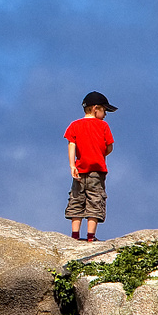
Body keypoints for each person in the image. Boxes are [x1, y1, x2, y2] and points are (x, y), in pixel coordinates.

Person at [64, 91, 117, 241]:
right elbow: (110, 147)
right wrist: (100, 154)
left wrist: (72, 165)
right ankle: (90, 237)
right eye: (104, 110)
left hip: (79, 170)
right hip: (97, 171)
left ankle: (74, 236)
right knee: (95, 200)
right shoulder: (103, 126)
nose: (105, 114)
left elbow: (71, 144)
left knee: (76, 199)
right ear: (95, 109)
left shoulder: (75, 125)